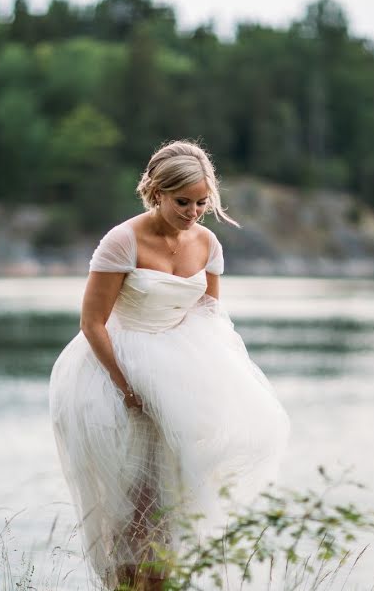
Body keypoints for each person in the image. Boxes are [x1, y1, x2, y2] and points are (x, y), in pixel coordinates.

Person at [49, 140, 290, 590]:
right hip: (113, 372)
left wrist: (214, 380)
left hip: (178, 375)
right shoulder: (123, 241)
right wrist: (126, 387)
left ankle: (161, 583)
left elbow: (209, 313)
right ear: (156, 191)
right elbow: (93, 322)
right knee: (128, 503)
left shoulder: (208, 242)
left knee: (173, 500)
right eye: (183, 202)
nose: (194, 211)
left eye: (202, 202)